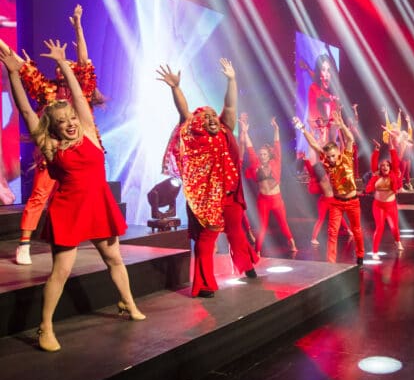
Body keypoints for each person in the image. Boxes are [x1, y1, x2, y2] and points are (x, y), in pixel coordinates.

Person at [1, 40, 144, 352]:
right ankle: (45, 326)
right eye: (61, 122)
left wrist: (64, 63)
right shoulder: (51, 147)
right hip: (69, 210)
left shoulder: (90, 133)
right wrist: (13, 74)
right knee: (61, 271)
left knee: (114, 259)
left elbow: (79, 95)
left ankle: (127, 302)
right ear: (53, 128)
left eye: (71, 119)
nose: (68, 124)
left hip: (99, 206)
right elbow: (25, 109)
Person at [3, 4, 102, 265]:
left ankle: (90, 235)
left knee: (85, 195)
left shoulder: (83, 90)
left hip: (82, 151)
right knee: (39, 194)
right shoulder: (46, 90)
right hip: (54, 154)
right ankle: (24, 244)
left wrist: (78, 26)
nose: (62, 69)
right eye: (60, 67)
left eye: (66, 66)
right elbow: (19, 63)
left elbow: (83, 62)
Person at [158, 60, 259, 298]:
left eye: (214, 115)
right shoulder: (195, 138)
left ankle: (247, 264)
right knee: (206, 240)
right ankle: (204, 284)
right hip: (205, 201)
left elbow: (230, 106)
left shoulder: (225, 129)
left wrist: (232, 80)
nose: (212, 119)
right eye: (206, 118)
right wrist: (175, 88)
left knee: (236, 233)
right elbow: (184, 112)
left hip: (230, 196)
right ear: (198, 123)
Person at [295, 110, 365, 265]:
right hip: (337, 202)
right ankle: (330, 263)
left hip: (353, 201)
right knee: (332, 232)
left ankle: (360, 256)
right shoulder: (326, 161)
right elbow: (314, 144)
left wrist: (342, 126)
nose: (331, 159)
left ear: (338, 152)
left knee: (357, 230)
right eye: (329, 156)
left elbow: (350, 139)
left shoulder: (346, 156)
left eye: (333, 155)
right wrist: (302, 128)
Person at [241, 115, 297, 255]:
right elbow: (250, 148)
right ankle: (258, 250)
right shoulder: (256, 164)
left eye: (264, 154)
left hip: (276, 199)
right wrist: (245, 132)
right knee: (262, 227)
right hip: (263, 200)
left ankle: (292, 243)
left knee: (283, 224)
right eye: (261, 154)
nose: (262, 156)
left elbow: (277, 145)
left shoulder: (276, 162)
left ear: (269, 155)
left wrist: (276, 129)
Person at [365, 137, 403, 259]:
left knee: (394, 227)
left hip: (391, 206)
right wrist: (376, 150)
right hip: (378, 205)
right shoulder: (376, 175)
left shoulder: (394, 173)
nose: (385, 167)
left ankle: (398, 242)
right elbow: (373, 163)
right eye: (383, 165)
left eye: (387, 165)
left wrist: (391, 145)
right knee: (380, 227)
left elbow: (396, 160)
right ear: (380, 168)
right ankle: (375, 252)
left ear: (390, 167)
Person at [306, 53, 339, 143]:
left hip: (331, 144)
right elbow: (319, 99)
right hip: (317, 141)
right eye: (323, 70)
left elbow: (335, 125)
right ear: (319, 72)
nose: (327, 74)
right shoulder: (313, 88)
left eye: (329, 70)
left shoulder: (332, 97)